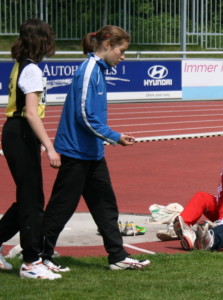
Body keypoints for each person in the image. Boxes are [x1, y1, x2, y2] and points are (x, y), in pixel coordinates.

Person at [39, 25, 150, 272]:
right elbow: (84, 116)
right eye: (122, 51)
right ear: (107, 46)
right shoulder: (88, 71)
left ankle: (117, 256)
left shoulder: (100, 70)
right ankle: (41, 255)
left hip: (92, 153)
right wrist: (114, 136)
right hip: (76, 153)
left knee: (105, 205)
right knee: (62, 207)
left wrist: (108, 139)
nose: (123, 57)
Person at [0, 19, 62, 279]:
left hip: (17, 132)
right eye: (49, 37)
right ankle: (31, 262)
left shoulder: (21, 65)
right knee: (32, 200)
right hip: (22, 132)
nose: (52, 43)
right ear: (41, 40)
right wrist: (50, 147)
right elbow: (32, 113)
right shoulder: (32, 69)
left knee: (29, 197)